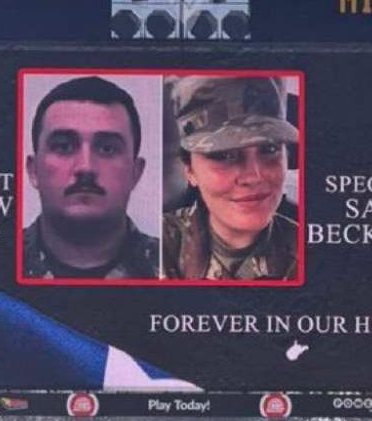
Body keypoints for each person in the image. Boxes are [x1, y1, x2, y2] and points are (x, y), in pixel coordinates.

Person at [162, 76, 300, 281]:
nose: (254, 176)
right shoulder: (157, 248)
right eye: (223, 154)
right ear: (190, 170)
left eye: (269, 149)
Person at [23, 75, 159, 279]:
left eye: (107, 148)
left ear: (135, 172)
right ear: (33, 170)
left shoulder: (176, 268)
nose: (85, 167)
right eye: (63, 147)